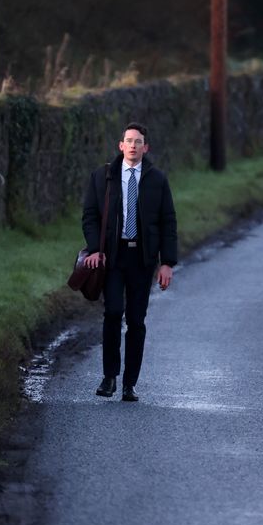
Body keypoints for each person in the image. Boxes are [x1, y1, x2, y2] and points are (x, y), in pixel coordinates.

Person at [81, 122, 178, 401]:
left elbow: (168, 222)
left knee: (136, 320)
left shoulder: (157, 180)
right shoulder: (104, 177)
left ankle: (129, 384)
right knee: (113, 312)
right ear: (121, 146)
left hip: (142, 259)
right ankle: (109, 377)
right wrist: (94, 249)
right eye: (129, 141)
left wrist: (167, 262)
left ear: (146, 148)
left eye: (138, 142)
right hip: (113, 256)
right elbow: (90, 216)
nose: (133, 146)